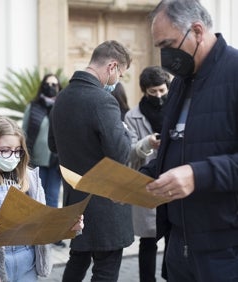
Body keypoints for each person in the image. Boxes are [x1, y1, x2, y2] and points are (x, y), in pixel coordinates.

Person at [142, 0, 238, 281]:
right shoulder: (180, 83)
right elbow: (177, 147)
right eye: (159, 47)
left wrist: (198, 175)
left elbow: (194, 167)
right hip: (178, 245)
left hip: (225, 250)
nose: (164, 56)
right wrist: (141, 177)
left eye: (168, 44)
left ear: (197, 31)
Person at [48, 40, 134, 282]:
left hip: (75, 198)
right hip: (106, 202)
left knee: (78, 259)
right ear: (112, 66)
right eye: (121, 74)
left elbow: (53, 145)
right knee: (106, 269)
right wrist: (124, 130)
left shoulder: (62, 98)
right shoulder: (103, 101)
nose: (117, 80)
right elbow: (120, 154)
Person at [0, 115, 84, 282]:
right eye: (5, 150)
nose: (12, 156)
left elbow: (44, 223)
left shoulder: (29, 178)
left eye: (17, 151)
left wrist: (70, 226)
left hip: (28, 266)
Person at [124, 66, 171, 282]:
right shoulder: (132, 116)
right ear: (145, 90)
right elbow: (130, 153)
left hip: (174, 180)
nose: (159, 96)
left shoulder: (177, 109)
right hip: (148, 183)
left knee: (174, 235)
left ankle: (171, 275)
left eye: (162, 91)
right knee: (149, 239)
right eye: (153, 92)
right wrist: (148, 143)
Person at [22, 73, 66, 247]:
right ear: (42, 86)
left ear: (59, 87)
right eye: (47, 84)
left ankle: (53, 234)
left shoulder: (63, 107)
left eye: (54, 84)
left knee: (53, 197)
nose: (51, 87)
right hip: (36, 161)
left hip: (56, 161)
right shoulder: (33, 107)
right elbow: (24, 131)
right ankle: (35, 232)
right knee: (35, 197)